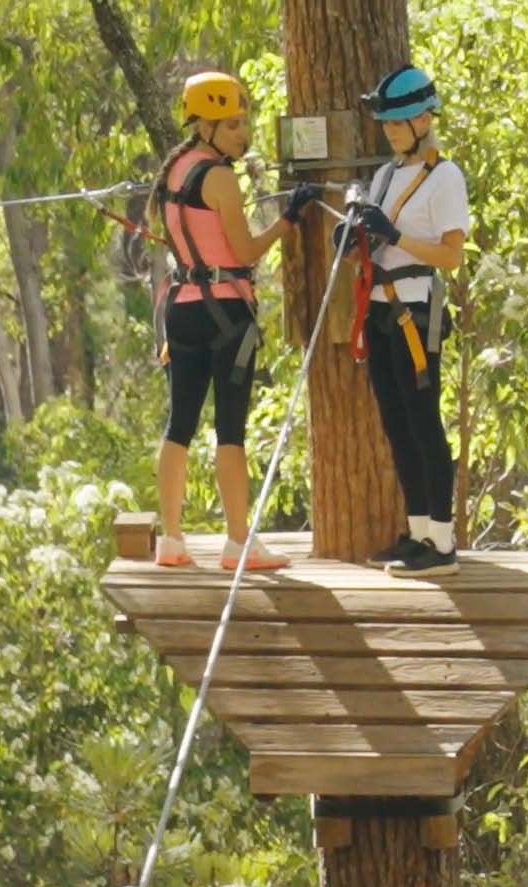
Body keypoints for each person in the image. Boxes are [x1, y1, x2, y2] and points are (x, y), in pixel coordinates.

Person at [150, 72, 320, 573]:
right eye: (232, 126)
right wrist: (287, 221)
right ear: (204, 127)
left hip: (181, 307)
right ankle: (238, 542)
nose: (243, 135)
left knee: (178, 425)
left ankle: (172, 539)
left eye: (243, 123)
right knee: (230, 430)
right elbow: (244, 250)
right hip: (225, 312)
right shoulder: (219, 177)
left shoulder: (173, 171)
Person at [342, 63, 471, 573]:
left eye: (400, 122)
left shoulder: (444, 177)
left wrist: (393, 236)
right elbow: (372, 242)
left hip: (416, 309)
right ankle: (418, 532)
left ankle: (442, 541)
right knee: (397, 424)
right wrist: (353, 241)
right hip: (377, 307)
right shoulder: (386, 174)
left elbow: (451, 255)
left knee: (423, 423)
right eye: (388, 123)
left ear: (424, 121)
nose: (391, 130)